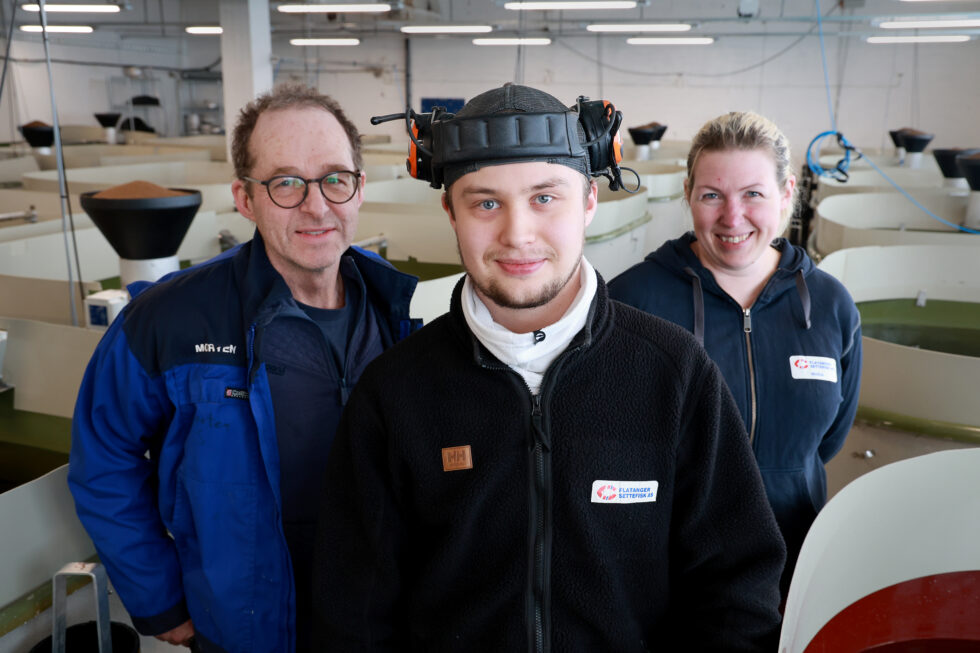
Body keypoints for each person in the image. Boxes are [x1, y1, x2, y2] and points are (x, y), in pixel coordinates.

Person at [313, 84, 785, 652]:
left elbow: (736, 591)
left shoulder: (675, 374)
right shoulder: (394, 393)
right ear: (450, 213)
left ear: (588, 202)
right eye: (486, 203)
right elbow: (354, 614)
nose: (518, 234)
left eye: (544, 198)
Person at [68, 84, 419, 652]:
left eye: (335, 178)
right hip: (245, 625)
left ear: (359, 188)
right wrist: (158, 599)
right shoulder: (168, 318)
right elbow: (103, 460)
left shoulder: (396, 308)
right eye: (285, 182)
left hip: (379, 617)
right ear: (245, 198)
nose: (316, 206)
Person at [609, 110, 862, 597]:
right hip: (668, 573)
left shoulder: (830, 305)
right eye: (712, 195)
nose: (732, 217)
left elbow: (828, 439)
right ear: (688, 194)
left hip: (794, 563)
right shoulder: (632, 302)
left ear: (787, 193)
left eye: (753, 194)